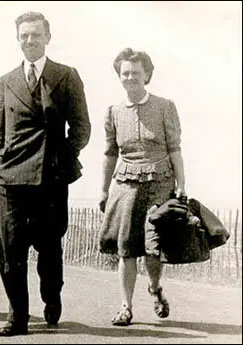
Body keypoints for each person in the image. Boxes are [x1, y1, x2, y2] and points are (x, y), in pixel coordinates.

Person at [0, 11, 91, 336]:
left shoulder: (66, 75)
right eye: (24, 36)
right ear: (17, 39)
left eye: (35, 35)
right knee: (11, 251)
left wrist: (61, 159)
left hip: (50, 177)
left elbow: (82, 127)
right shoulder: (7, 80)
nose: (29, 41)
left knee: (50, 247)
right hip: (11, 177)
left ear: (48, 37)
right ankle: (17, 316)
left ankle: (52, 297)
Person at [98, 47, 187, 326]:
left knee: (152, 249)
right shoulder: (113, 112)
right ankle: (125, 306)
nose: (130, 78)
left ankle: (156, 288)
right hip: (125, 185)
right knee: (126, 249)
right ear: (119, 77)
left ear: (147, 74)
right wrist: (103, 189)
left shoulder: (164, 106)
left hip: (159, 184)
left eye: (136, 73)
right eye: (125, 73)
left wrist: (181, 184)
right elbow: (110, 153)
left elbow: (174, 149)